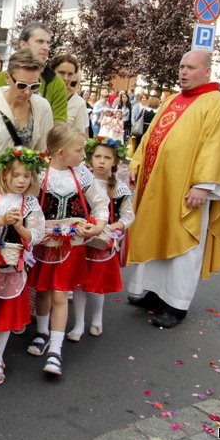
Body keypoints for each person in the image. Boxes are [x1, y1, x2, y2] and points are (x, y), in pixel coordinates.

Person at [126, 50, 220, 328]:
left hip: (187, 189)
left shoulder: (217, 103)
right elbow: (150, 136)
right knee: (155, 233)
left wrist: (203, 185)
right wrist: (136, 164)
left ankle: (176, 304)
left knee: (183, 244)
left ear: (207, 71)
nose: (183, 72)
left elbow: (216, 146)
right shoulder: (172, 100)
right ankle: (153, 292)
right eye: (181, 67)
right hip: (156, 184)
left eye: (190, 67)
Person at [27, 123, 107, 376]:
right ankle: (42, 332)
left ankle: (55, 349)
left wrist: (98, 226)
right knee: (42, 290)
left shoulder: (82, 175)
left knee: (60, 295)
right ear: (61, 152)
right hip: (43, 243)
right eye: (79, 150)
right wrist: (33, 227)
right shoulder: (39, 173)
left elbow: (100, 204)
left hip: (70, 246)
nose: (84, 154)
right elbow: (27, 202)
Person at [0, 147, 46, 385]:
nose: (21, 180)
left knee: (6, 308)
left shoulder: (30, 203)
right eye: (16, 174)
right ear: (4, 173)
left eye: (26, 176)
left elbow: (36, 235)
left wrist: (19, 227)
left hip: (10, 265)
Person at [70, 137, 133, 341]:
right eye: (97, 156)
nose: (102, 161)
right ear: (90, 158)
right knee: (79, 283)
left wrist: (110, 227)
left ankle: (97, 318)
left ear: (115, 162)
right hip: (81, 238)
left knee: (96, 284)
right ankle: (79, 323)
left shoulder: (119, 188)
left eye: (107, 158)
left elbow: (128, 216)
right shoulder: (81, 182)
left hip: (102, 242)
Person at [0, 49, 54, 156]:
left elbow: (43, 151)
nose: (27, 92)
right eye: (21, 85)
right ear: (7, 78)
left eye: (34, 86)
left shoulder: (43, 106)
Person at [0, 22, 67, 123]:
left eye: (48, 43)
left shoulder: (56, 82)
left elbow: (59, 123)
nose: (46, 47)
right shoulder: (1, 78)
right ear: (23, 44)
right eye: (40, 41)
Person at [50, 54, 88, 134]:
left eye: (70, 74)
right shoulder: (40, 95)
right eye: (61, 73)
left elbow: (80, 136)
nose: (65, 78)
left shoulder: (78, 103)